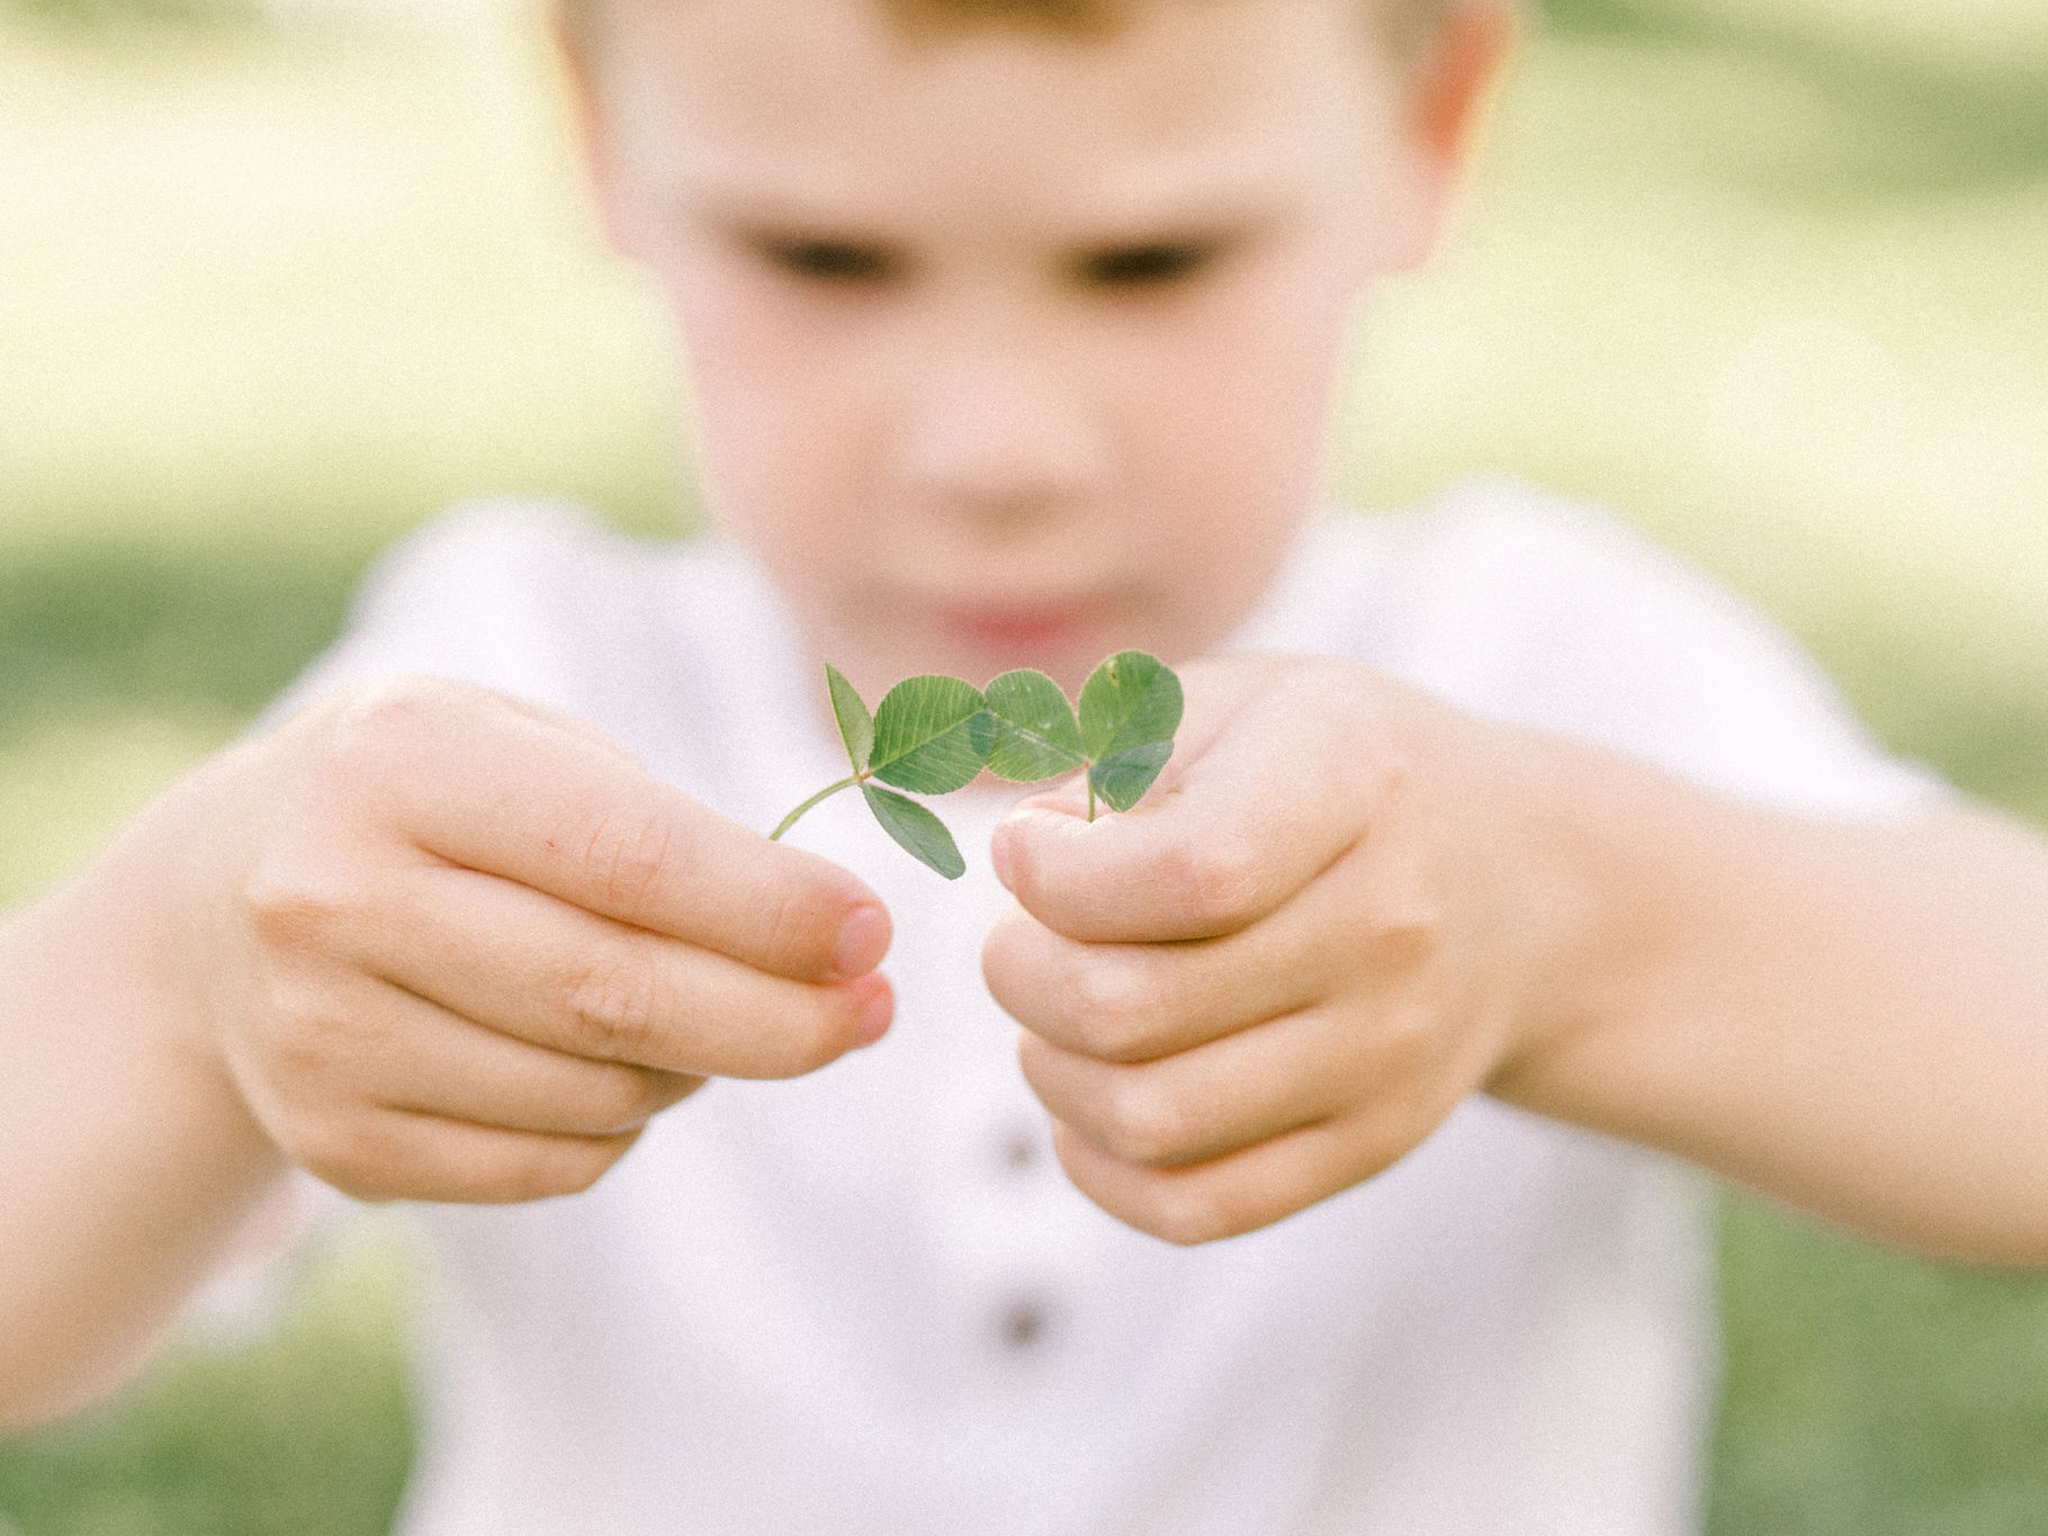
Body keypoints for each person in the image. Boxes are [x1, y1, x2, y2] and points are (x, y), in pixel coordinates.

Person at [3, 0, 2046, 1529]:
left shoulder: (1536, 672)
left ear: (1430, 123)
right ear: (597, 124)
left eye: (1146, 265)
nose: (993, 449)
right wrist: (180, 984)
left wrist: (1575, 923)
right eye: (826, 261)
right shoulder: (504, 679)